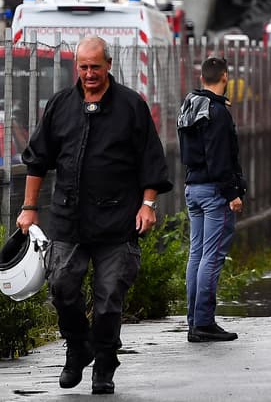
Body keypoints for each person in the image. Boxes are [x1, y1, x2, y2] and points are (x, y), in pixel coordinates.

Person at [18, 35, 172, 395]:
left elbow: (152, 160)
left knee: (108, 299)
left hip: (118, 222)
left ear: (109, 65)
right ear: (77, 67)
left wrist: (148, 204)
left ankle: (104, 364)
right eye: (84, 67)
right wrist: (29, 208)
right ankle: (78, 347)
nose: (89, 74)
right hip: (69, 220)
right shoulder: (60, 106)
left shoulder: (132, 106)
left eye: (95, 67)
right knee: (62, 286)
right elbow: (37, 159)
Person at [178, 56, 247, 343]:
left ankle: (194, 320)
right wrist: (232, 193)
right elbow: (218, 157)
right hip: (214, 192)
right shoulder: (217, 112)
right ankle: (204, 322)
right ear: (225, 77)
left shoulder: (191, 106)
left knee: (196, 255)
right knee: (212, 256)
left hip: (193, 186)